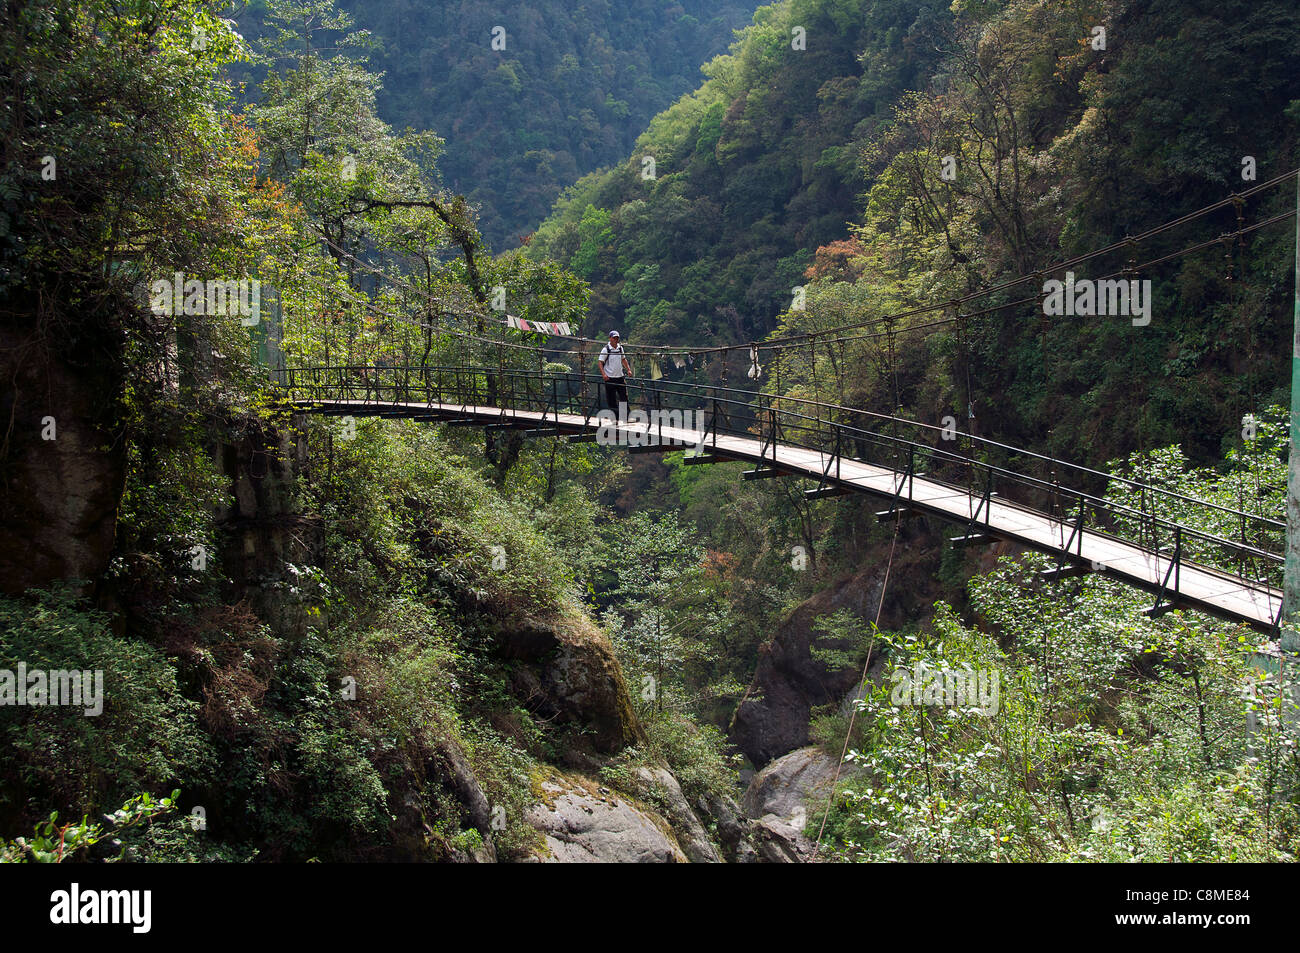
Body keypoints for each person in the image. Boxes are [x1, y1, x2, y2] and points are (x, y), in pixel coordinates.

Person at [598, 330, 632, 422]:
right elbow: (600, 362)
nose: (616, 340)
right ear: (610, 338)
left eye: (617, 338)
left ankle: (626, 417)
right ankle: (615, 418)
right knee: (611, 399)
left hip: (620, 377)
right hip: (609, 377)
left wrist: (628, 369)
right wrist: (604, 374)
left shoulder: (620, 348)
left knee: (624, 397)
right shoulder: (606, 349)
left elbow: (623, 359)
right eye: (614, 338)